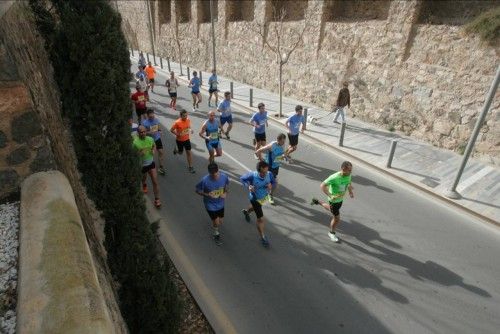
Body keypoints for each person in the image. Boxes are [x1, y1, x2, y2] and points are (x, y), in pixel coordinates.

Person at [311, 161, 354, 242]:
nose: (350, 172)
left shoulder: (348, 175)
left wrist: (350, 191)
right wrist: (330, 195)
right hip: (333, 201)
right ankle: (331, 233)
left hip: (340, 200)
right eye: (349, 170)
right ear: (343, 169)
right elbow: (322, 185)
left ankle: (317, 201)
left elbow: (348, 182)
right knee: (337, 218)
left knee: (331, 210)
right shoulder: (334, 177)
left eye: (351, 170)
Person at [240, 161, 276, 247]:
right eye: (264, 172)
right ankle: (263, 237)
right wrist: (248, 186)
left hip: (264, 197)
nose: (266, 173)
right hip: (255, 199)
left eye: (267, 171)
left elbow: (273, 182)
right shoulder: (252, 175)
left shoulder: (269, 174)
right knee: (260, 219)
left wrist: (271, 185)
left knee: (255, 208)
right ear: (260, 170)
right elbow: (242, 179)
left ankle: (247, 211)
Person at [195, 163, 229, 245]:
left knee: (220, 221)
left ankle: (216, 226)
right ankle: (216, 234)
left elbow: (226, 186)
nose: (215, 176)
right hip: (210, 204)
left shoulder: (224, 177)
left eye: (216, 173)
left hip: (220, 203)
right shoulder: (204, 180)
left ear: (218, 171)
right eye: (212, 174)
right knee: (216, 222)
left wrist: (225, 193)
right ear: (209, 172)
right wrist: (207, 194)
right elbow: (197, 190)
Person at [133, 125, 161, 208]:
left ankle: (157, 199)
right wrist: (138, 154)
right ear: (138, 133)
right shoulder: (135, 143)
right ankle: (144, 184)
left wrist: (153, 150)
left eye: (144, 131)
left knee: (155, 182)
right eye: (141, 132)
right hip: (141, 165)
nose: (143, 133)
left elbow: (154, 145)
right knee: (143, 177)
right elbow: (132, 155)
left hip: (151, 163)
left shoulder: (150, 139)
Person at [255, 133, 286, 205]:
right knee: (273, 182)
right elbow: (260, 150)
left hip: (276, 166)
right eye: (283, 141)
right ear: (278, 140)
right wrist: (260, 158)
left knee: (272, 183)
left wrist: (284, 156)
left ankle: (268, 194)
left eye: (284, 141)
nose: (284, 143)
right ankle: (268, 195)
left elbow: (281, 154)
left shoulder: (282, 145)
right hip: (269, 167)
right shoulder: (272, 145)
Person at [143, 108, 166, 175]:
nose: (152, 117)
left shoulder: (156, 120)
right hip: (150, 141)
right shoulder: (145, 123)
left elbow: (159, 128)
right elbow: (143, 133)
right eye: (150, 116)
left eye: (153, 116)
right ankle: (149, 166)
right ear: (147, 116)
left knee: (161, 152)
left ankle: (161, 167)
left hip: (157, 138)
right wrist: (148, 133)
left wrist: (160, 131)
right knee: (151, 153)